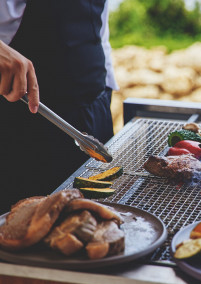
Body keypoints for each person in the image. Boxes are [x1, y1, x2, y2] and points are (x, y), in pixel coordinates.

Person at [0, 0, 118, 214]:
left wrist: (106, 89)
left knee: (95, 218)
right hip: (20, 124)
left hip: (94, 110)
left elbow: (98, 24)